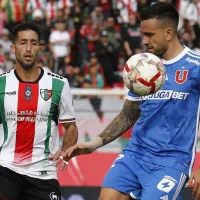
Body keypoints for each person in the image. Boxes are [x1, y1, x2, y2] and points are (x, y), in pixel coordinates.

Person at [64, 2, 200, 200]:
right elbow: (128, 115)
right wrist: (92, 144)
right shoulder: (141, 65)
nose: (144, 40)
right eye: (143, 34)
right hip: (134, 154)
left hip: (171, 161)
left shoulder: (195, 67)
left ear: (169, 33)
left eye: (150, 35)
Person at [0, 22, 78, 200]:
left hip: (44, 173)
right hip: (5, 168)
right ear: (12, 47)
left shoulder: (59, 84)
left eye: (33, 43)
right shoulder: (1, 83)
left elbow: (71, 127)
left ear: (40, 48)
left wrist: (65, 151)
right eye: (23, 42)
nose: (28, 48)